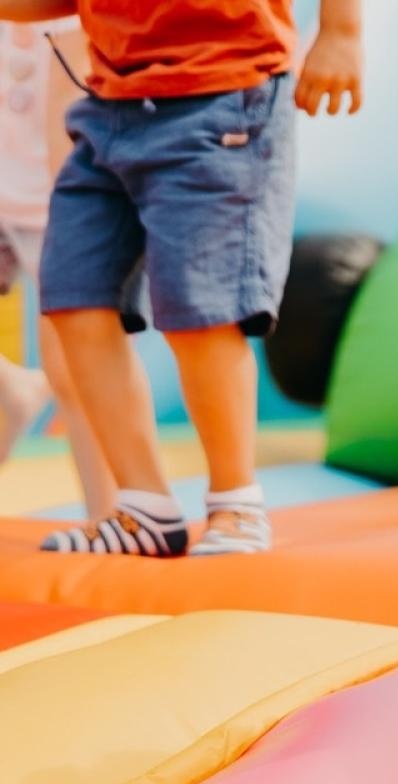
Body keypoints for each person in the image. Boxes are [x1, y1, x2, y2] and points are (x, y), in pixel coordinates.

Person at [0, 0, 364, 556]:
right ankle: (144, 505)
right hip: (110, 102)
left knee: (201, 307)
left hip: (221, 92)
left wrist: (341, 31)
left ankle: (235, 500)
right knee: (74, 295)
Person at [0, 17, 113, 515]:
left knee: (74, 368)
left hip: (57, 201)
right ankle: (13, 388)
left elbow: (68, 117)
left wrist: (73, 225)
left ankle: (108, 513)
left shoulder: (72, 17)